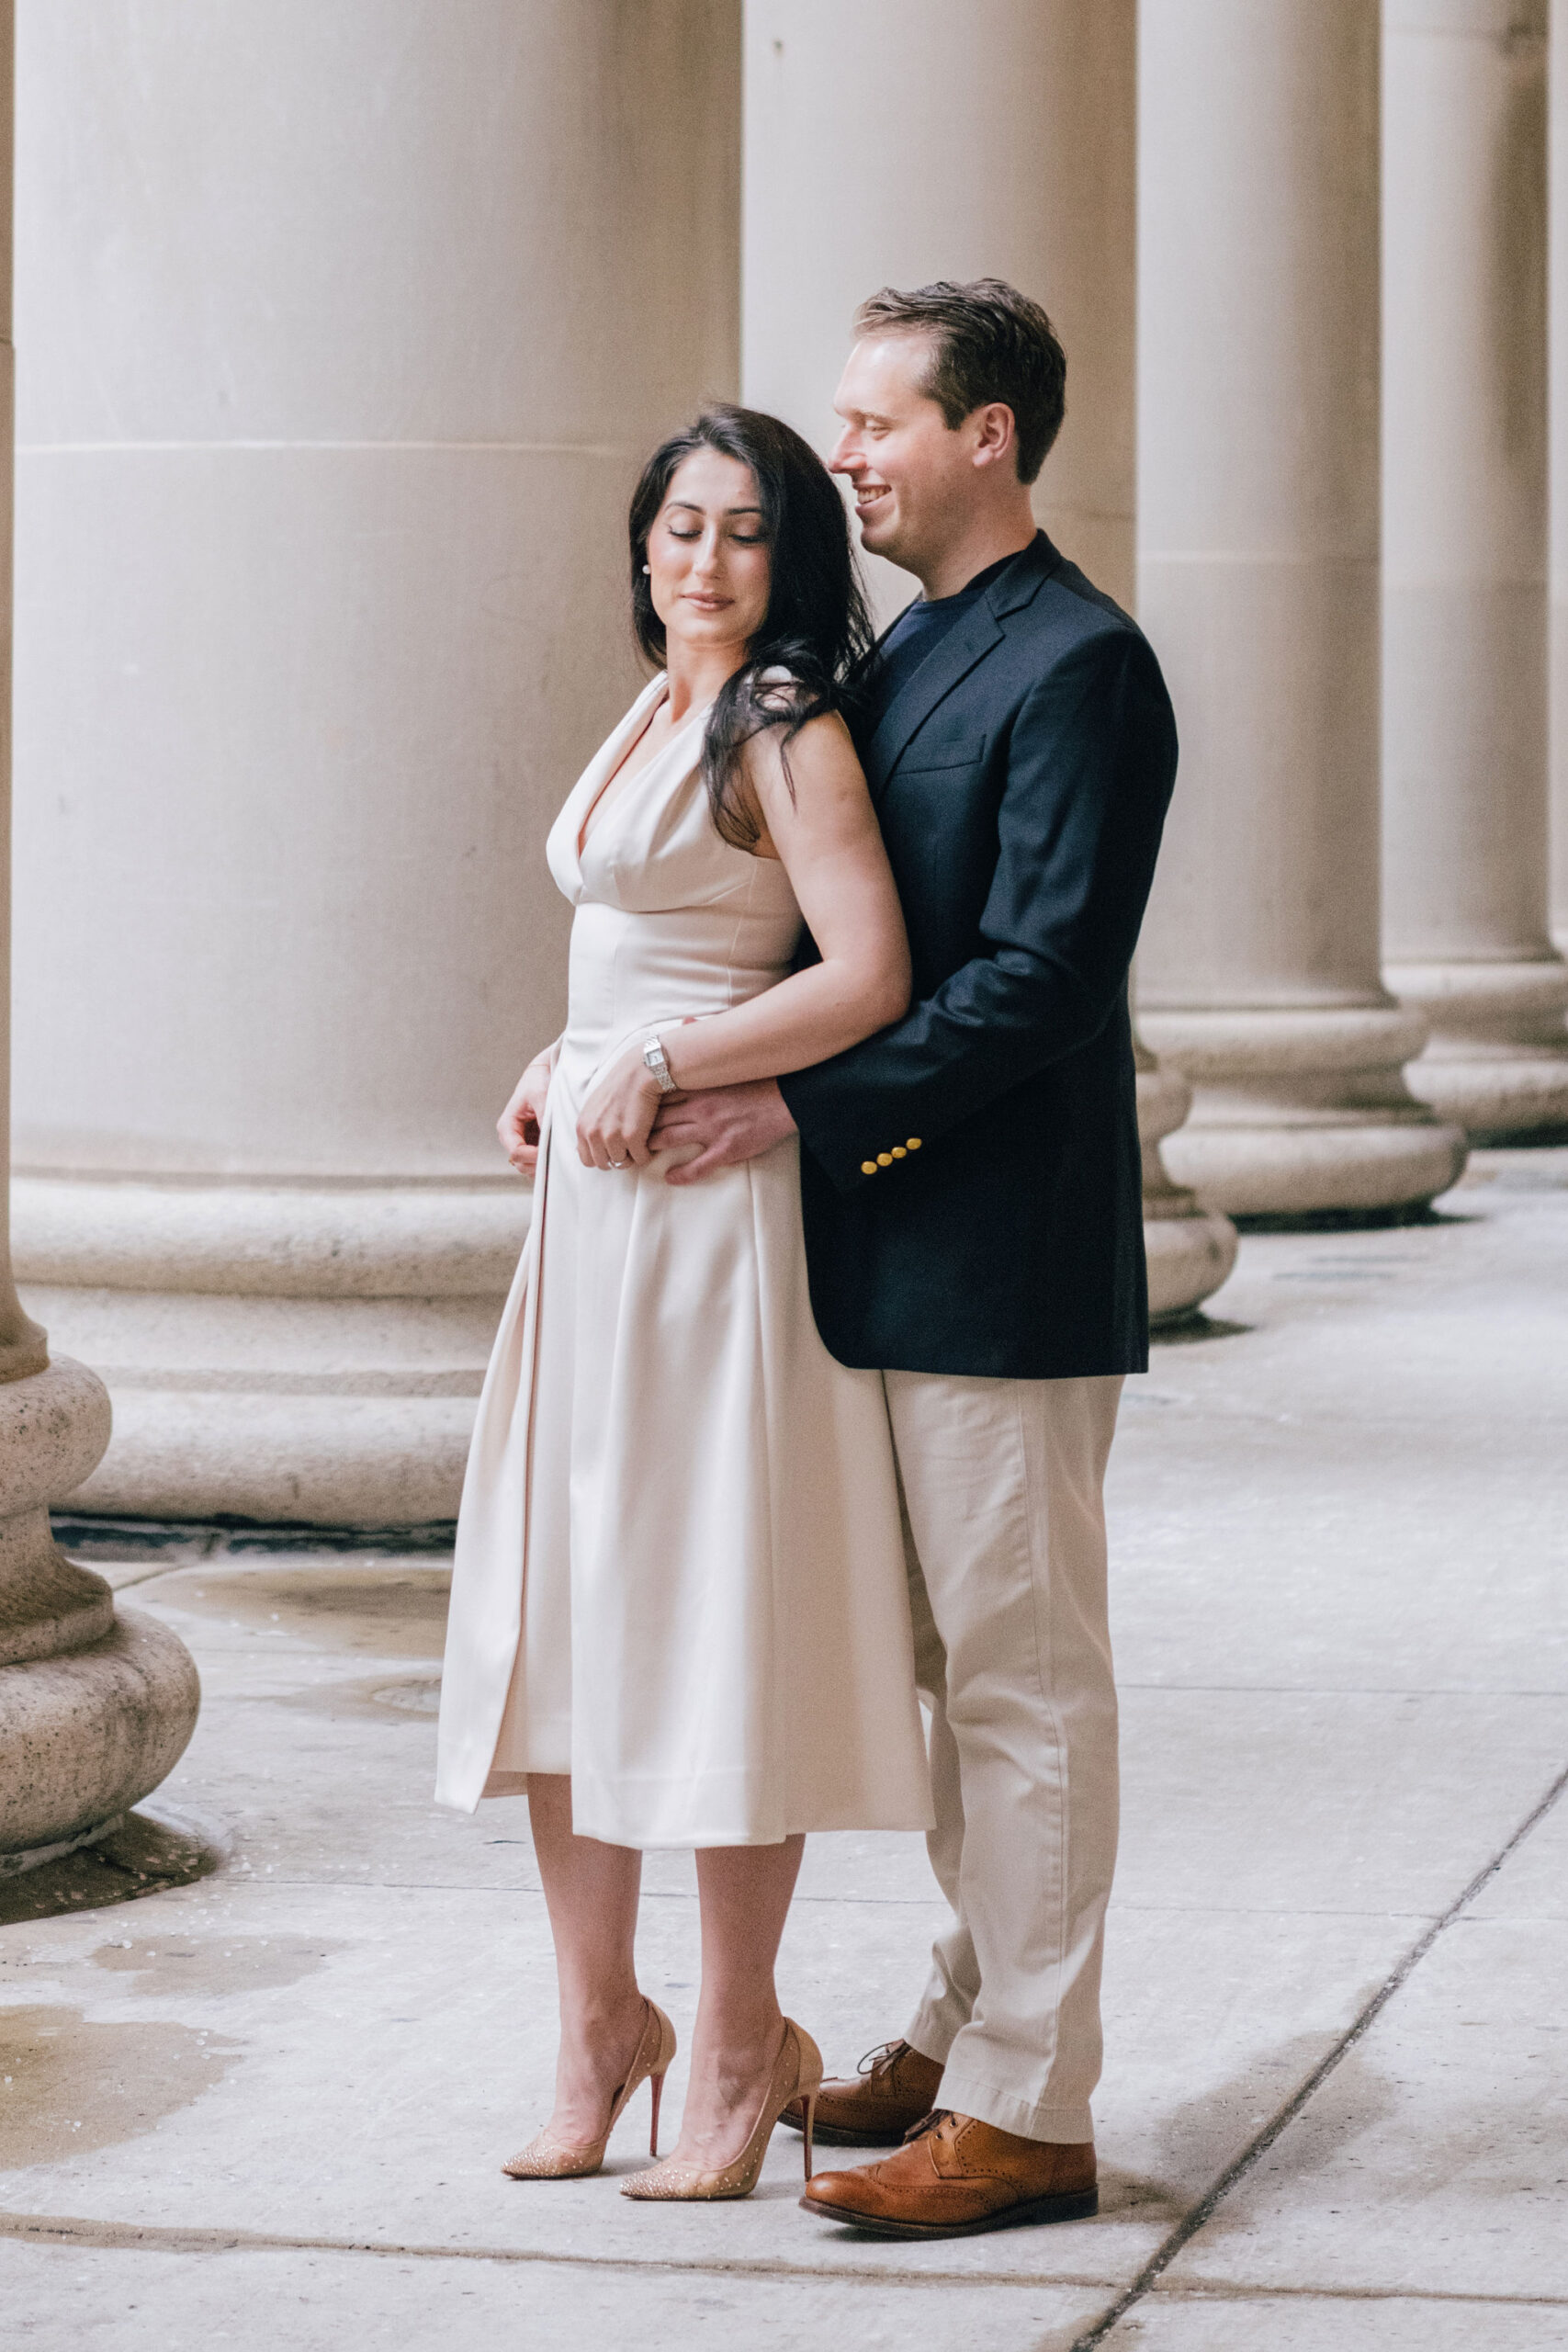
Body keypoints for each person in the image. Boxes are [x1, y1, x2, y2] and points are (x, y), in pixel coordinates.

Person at [649, 279, 1179, 2239]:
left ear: (990, 437)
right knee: (960, 1682)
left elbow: (1041, 982)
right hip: (871, 1253)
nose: (840, 451)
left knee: (1024, 1685)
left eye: (876, 420)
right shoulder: (892, 660)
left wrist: (805, 1106)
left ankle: (1033, 2112)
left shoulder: (1082, 664)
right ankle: (968, 2033)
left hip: (1002, 1261)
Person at [434, 405, 933, 2204]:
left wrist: (658, 1049)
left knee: (712, 1614)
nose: (697, 559)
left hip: (713, 1230)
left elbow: (866, 973)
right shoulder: (650, 701)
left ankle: (737, 2045)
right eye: (674, 525)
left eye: (737, 532)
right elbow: (632, 946)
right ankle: (596, 2029)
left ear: (788, 557)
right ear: (640, 542)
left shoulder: (781, 723)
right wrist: (556, 1056)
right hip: (590, 1220)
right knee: (562, 1617)